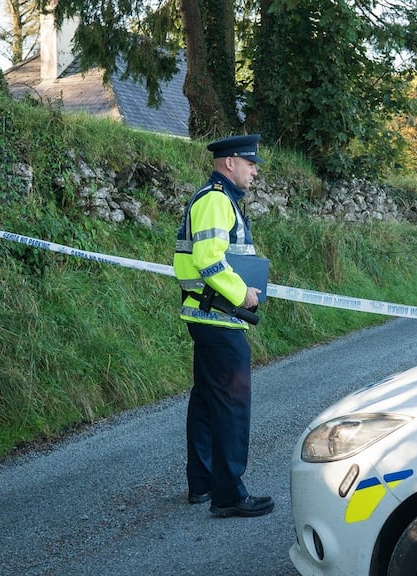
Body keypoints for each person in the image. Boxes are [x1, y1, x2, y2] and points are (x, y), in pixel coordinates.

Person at [172, 134, 274, 518]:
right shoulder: (216, 200)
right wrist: (240, 294)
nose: (253, 172)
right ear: (230, 162)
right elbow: (209, 259)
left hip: (205, 315)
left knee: (205, 402)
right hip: (219, 315)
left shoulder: (217, 198)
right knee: (231, 406)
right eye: (250, 164)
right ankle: (229, 495)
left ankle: (202, 483)